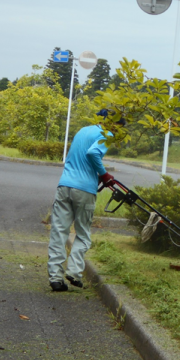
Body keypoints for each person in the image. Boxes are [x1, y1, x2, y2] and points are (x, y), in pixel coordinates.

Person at [47, 110, 124, 291]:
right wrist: (104, 175)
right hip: (84, 191)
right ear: (114, 124)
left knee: (59, 231)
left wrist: (97, 177)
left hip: (64, 186)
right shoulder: (107, 135)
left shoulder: (83, 131)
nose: (119, 133)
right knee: (82, 234)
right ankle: (73, 272)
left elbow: (80, 161)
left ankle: (55, 278)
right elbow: (92, 153)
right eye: (120, 128)